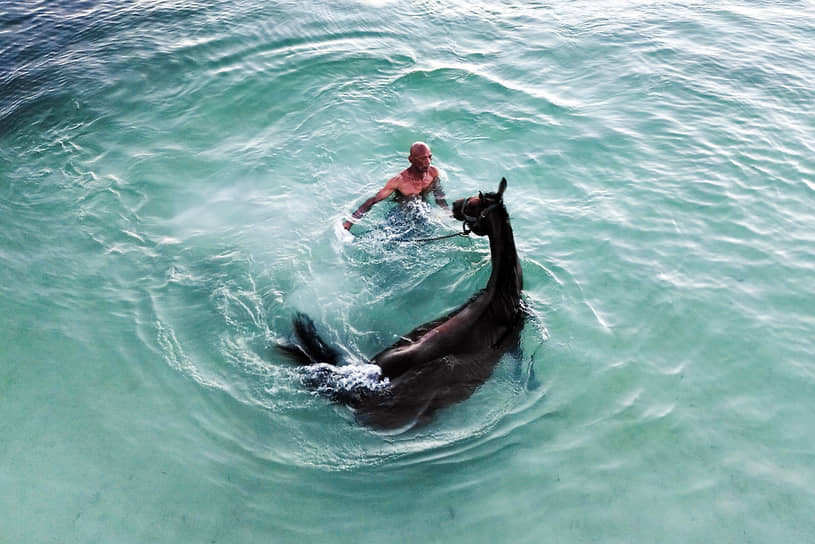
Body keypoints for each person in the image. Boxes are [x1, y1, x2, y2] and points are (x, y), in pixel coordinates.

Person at [342, 142, 449, 231]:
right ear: (411, 160)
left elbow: (439, 197)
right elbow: (372, 201)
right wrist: (349, 222)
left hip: (423, 213)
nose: (428, 162)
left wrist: (448, 213)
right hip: (400, 216)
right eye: (423, 159)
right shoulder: (399, 181)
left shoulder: (433, 173)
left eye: (430, 157)